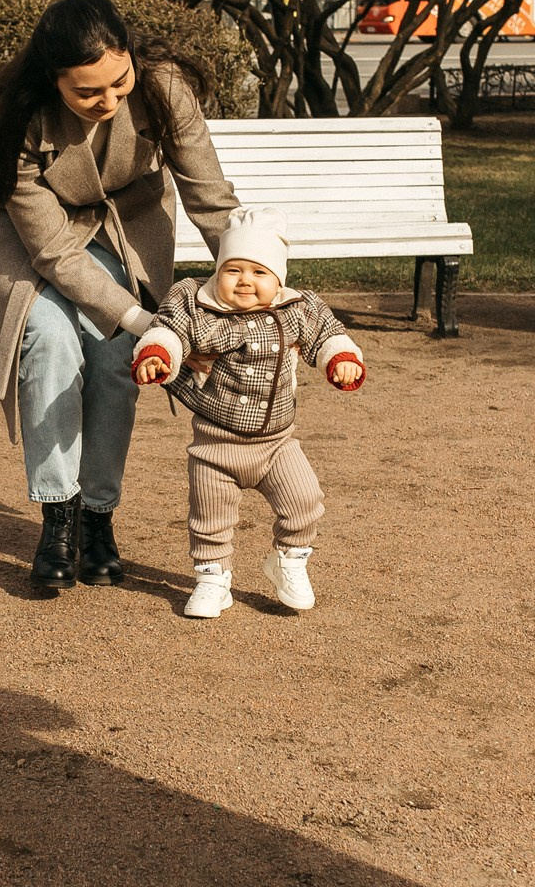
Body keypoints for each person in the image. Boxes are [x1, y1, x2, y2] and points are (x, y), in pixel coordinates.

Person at [0, 0, 239, 592]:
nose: (109, 101)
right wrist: (145, 320)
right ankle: (58, 516)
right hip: (21, 236)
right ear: (52, 80)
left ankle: (97, 519)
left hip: (121, 220)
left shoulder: (164, 89)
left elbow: (210, 199)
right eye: (88, 92)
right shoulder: (22, 119)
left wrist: (256, 277)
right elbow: (55, 252)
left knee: (117, 355)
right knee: (50, 339)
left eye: (119, 82)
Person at [129, 208, 366, 618]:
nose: (244, 281)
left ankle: (288, 560)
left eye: (259, 272)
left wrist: (340, 358)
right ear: (217, 271)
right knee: (210, 516)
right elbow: (167, 330)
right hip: (215, 444)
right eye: (233, 269)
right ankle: (212, 579)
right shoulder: (195, 305)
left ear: (278, 280)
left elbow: (328, 334)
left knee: (305, 501)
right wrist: (157, 353)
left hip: (277, 444)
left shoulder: (297, 310)